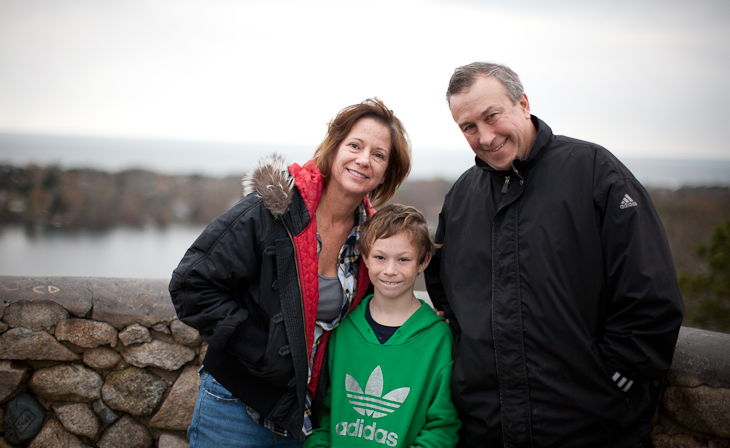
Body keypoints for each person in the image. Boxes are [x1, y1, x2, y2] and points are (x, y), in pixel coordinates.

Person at [425, 62, 685, 448]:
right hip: (487, 429)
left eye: (491, 116)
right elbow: (447, 298)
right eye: (469, 127)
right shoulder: (462, 197)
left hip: (590, 426)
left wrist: (613, 377)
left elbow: (650, 290)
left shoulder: (595, 173)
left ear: (523, 104)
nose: (485, 136)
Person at [169, 97, 411, 447]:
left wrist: (426, 318)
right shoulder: (273, 209)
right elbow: (191, 285)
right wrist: (263, 351)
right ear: (334, 148)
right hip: (236, 407)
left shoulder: (372, 238)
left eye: (378, 154)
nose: (363, 159)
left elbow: (375, 311)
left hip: (304, 417)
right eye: (355, 146)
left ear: (387, 171)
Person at [305, 204, 461, 448]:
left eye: (403, 259)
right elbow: (324, 414)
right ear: (365, 257)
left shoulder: (437, 337)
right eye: (380, 257)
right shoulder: (343, 326)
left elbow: (441, 427)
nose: (390, 270)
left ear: (423, 261)